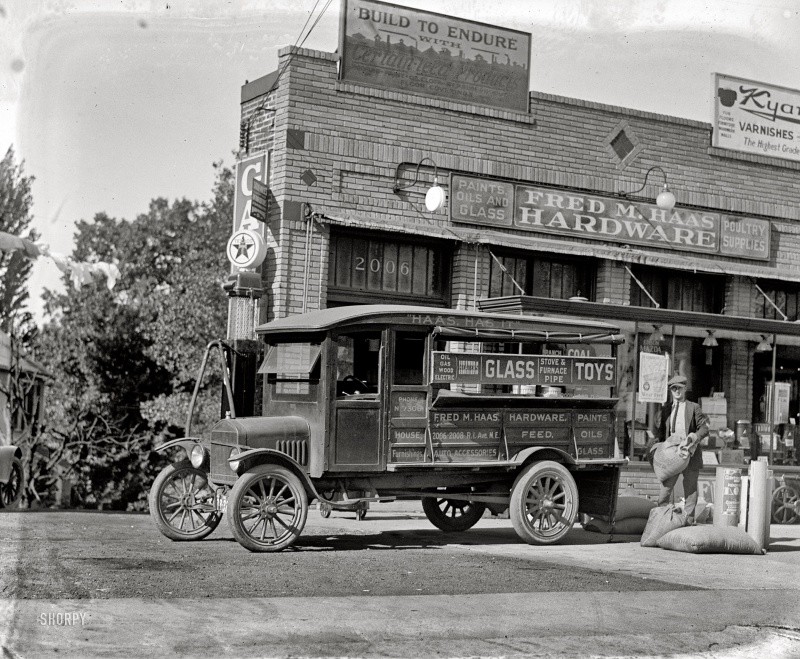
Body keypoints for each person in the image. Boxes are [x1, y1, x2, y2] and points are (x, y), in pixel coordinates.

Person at [647, 374, 709, 524]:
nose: (676, 391)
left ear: (685, 389)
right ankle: (661, 519)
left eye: (679, 388)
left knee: (690, 488)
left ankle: (688, 520)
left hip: (690, 453)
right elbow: (661, 433)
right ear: (670, 390)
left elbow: (704, 428)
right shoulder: (666, 409)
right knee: (666, 488)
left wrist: (694, 436)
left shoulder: (693, 407)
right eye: (673, 388)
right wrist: (655, 447)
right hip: (671, 455)